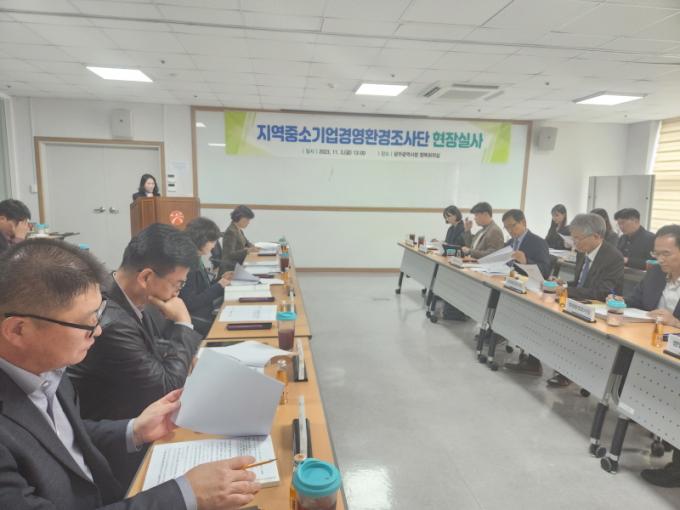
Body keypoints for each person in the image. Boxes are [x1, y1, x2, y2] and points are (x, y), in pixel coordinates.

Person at [0, 239, 260, 509]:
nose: (98, 330)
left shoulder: (48, 367)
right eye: (85, 322)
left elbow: (61, 439)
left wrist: (133, 430)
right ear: (18, 330)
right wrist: (184, 495)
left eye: (98, 314)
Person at [69, 224, 203, 422]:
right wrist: (183, 323)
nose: (178, 292)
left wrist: (185, 355)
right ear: (146, 277)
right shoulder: (112, 322)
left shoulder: (122, 291)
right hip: (116, 426)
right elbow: (167, 389)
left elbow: (145, 350)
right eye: (178, 284)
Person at [612, 224, 680, 487]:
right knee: (621, 359)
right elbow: (636, 301)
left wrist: (676, 322)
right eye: (656, 254)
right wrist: (617, 303)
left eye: (666, 254)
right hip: (652, 347)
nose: (660, 260)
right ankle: (649, 417)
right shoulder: (655, 274)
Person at [180, 217, 233, 335]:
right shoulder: (188, 264)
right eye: (212, 242)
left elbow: (203, 287)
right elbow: (191, 303)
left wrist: (221, 280)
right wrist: (219, 286)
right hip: (200, 318)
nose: (214, 246)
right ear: (202, 240)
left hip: (207, 310)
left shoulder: (196, 258)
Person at [502, 209, 551, 279]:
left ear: (523, 222)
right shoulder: (509, 243)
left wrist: (526, 261)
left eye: (512, 226)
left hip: (526, 282)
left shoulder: (539, 243)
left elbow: (546, 272)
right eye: (506, 227)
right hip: (506, 280)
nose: (509, 230)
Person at [219, 205, 259, 275]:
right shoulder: (231, 232)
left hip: (239, 264)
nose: (248, 222)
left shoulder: (238, 229)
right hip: (230, 269)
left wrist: (253, 247)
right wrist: (247, 250)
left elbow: (247, 243)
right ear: (239, 218)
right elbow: (229, 254)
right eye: (247, 220)